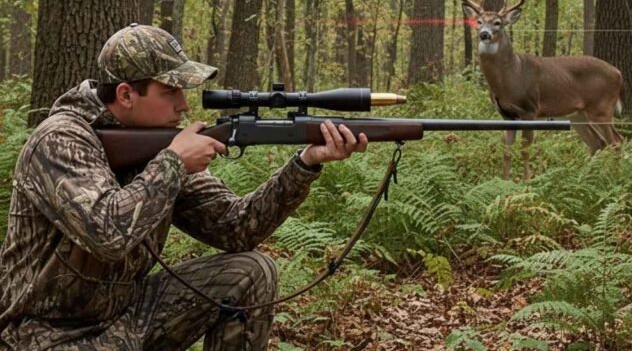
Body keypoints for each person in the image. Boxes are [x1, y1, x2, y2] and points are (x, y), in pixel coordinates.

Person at [0, 23, 368, 350]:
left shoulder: (157, 142)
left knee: (250, 271)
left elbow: (236, 228)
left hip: (125, 318)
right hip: (47, 335)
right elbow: (107, 233)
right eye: (170, 91)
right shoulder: (61, 139)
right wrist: (174, 164)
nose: (183, 105)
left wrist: (305, 163)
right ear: (127, 94)